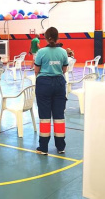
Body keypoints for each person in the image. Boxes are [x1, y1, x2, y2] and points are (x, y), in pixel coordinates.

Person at [34, 27, 68, 155]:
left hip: (44, 84)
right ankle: (60, 147)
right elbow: (64, 70)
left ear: (45, 37)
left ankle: (43, 148)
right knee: (59, 116)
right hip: (59, 84)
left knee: (45, 117)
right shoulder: (63, 52)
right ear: (57, 37)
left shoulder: (41, 52)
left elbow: (36, 70)